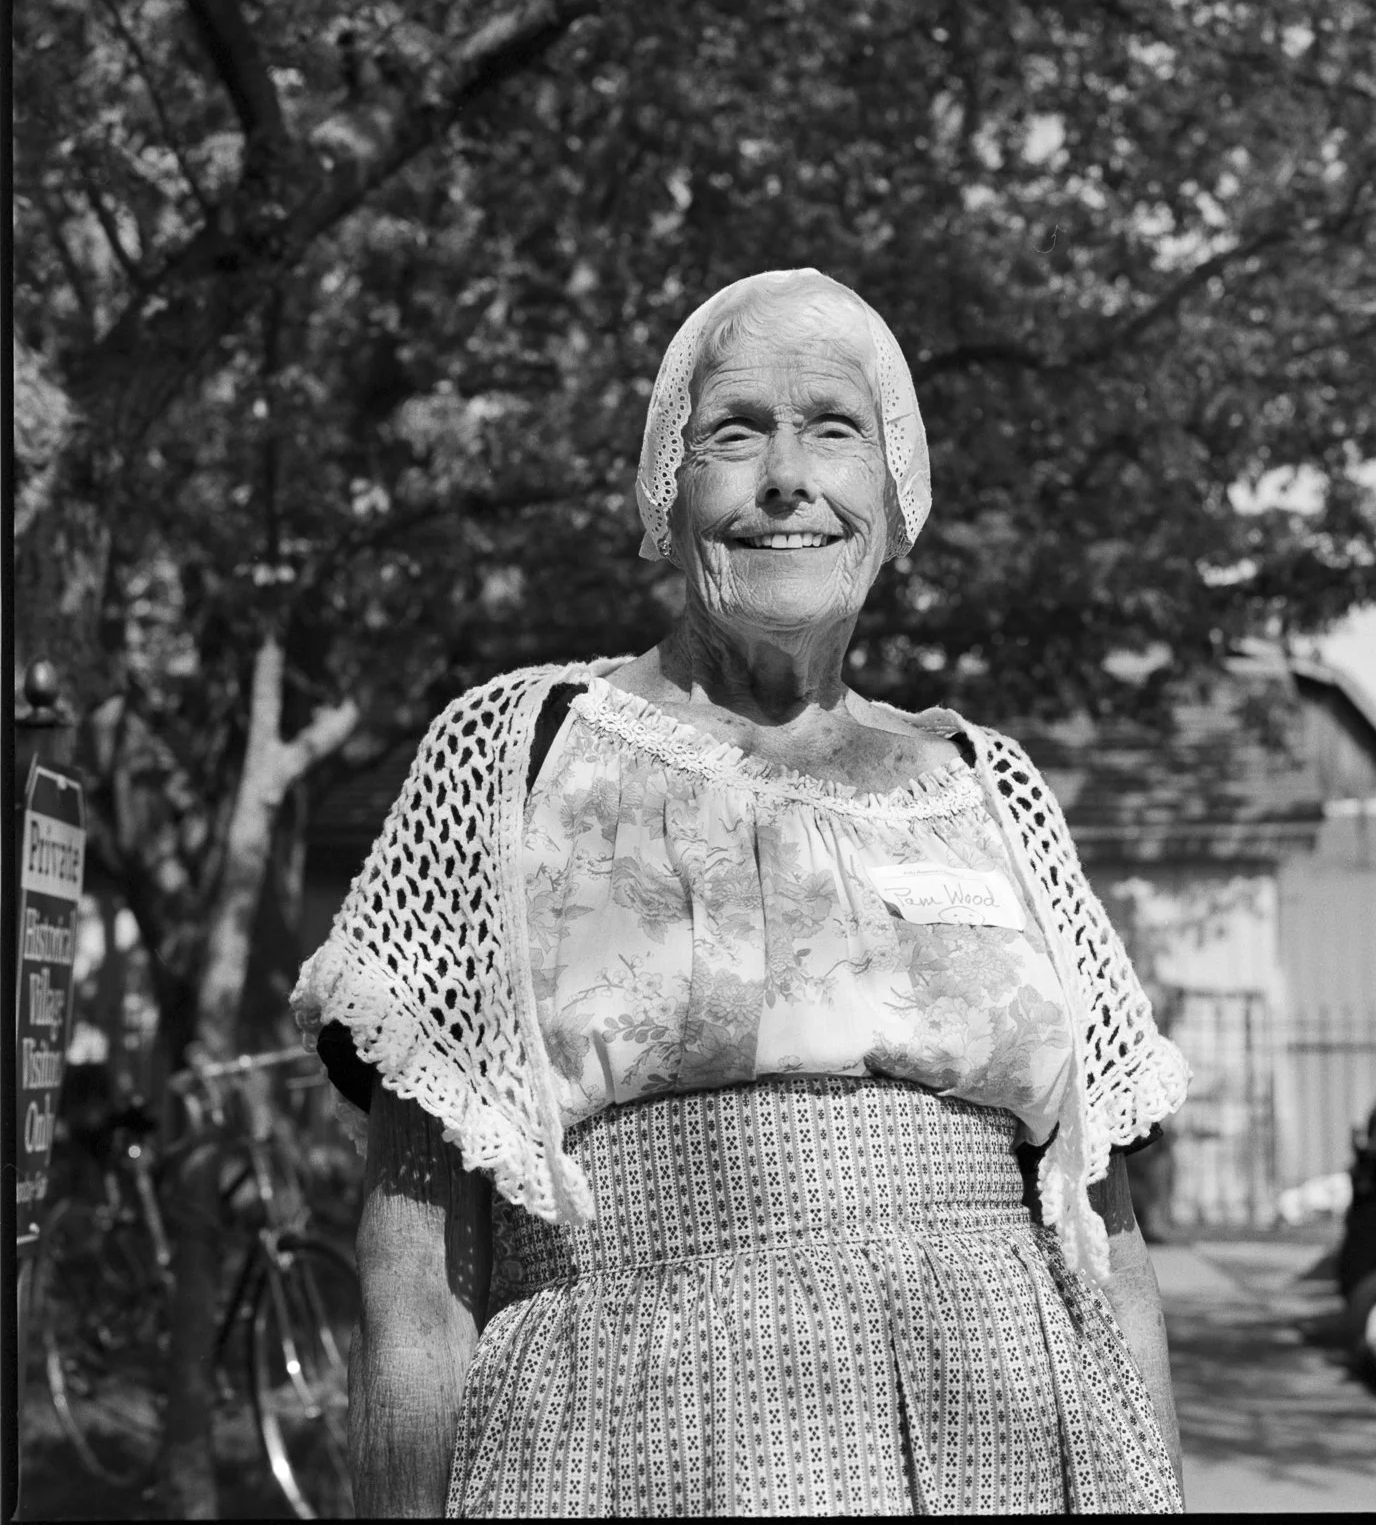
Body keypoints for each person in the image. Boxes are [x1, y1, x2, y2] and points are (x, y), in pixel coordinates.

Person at [294, 268, 1190, 1517]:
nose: (785, 477)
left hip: (1015, 1447)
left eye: (833, 427)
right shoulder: (518, 757)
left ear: (894, 491)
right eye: (734, 431)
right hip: (630, 1446)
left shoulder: (987, 790)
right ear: (666, 492)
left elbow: (1114, 1257)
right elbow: (411, 1285)